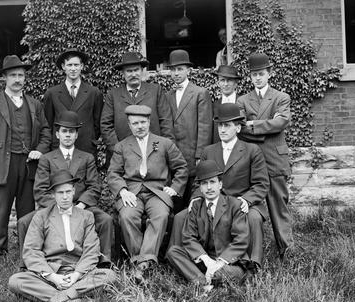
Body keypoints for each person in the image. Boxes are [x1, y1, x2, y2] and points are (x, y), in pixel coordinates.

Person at [169, 103, 269, 271]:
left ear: (238, 128)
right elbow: (198, 181)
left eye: (227, 125)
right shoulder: (209, 151)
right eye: (220, 125)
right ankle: (182, 260)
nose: (222, 129)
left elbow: (261, 184)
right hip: (212, 198)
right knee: (181, 216)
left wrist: (247, 200)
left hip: (241, 199)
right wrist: (195, 197)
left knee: (253, 217)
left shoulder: (252, 150)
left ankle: (252, 263)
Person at [0, 55, 52, 270]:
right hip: (2, 165)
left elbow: (46, 131)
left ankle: (26, 254)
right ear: (5, 78)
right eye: (13, 75)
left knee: (27, 213)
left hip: (28, 166)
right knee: (1, 212)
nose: (18, 79)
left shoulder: (34, 104)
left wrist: (40, 150)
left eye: (21, 75)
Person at [16, 110, 114, 269]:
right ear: (57, 135)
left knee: (105, 220)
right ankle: (27, 265)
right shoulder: (47, 159)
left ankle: (102, 263)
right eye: (64, 131)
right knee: (23, 222)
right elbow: (40, 190)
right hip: (54, 206)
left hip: (81, 206)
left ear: (76, 135)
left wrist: (81, 205)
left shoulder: (87, 157)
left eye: (71, 132)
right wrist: (58, 206)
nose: (68, 135)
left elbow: (95, 186)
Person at [8, 170, 116, 302]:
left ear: (73, 191)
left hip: (78, 272)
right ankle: (76, 300)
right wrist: (53, 277)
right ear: (53, 194)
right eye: (60, 193)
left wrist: (76, 275)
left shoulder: (86, 216)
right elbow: (31, 251)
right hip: (50, 273)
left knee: (110, 275)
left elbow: (91, 250)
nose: (65, 197)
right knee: (16, 281)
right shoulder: (41, 216)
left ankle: (58, 299)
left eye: (68, 192)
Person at [107, 105, 188, 281]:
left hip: (157, 192)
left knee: (160, 215)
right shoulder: (122, 146)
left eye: (143, 122)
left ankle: (142, 263)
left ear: (149, 122)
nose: (140, 126)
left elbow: (181, 167)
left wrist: (174, 188)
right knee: (127, 216)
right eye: (135, 123)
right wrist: (122, 190)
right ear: (129, 125)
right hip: (131, 192)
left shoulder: (164, 143)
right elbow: (113, 173)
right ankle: (141, 262)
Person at [236, 52, 293, 260]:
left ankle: (286, 251)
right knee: (251, 207)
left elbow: (281, 123)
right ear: (250, 77)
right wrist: (266, 125)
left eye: (261, 74)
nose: (257, 78)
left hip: (275, 158)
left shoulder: (281, 97)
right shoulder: (243, 100)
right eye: (254, 75)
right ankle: (250, 254)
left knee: (279, 207)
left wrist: (254, 125)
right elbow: (240, 128)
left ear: (269, 73)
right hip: (253, 161)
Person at [166, 160, 252, 290]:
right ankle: (204, 283)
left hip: (228, 263)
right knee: (173, 252)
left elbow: (241, 240)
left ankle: (199, 280)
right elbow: (189, 237)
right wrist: (206, 260)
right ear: (200, 188)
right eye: (204, 183)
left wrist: (220, 262)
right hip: (205, 260)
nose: (209, 187)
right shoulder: (196, 206)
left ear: (220, 184)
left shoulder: (234, 205)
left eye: (212, 182)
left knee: (225, 273)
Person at [100, 51, 175, 164]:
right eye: (129, 71)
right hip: (123, 156)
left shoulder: (155, 91)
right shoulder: (113, 94)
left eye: (136, 70)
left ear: (141, 71)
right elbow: (106, 124)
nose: (133, 74)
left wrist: (162, 149)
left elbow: (166, 121)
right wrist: (119, 149)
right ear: (123, 73)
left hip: (153, 152)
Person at [165, 49, 213, 207]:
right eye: (173, 69)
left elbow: (205, 126)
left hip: (193, 156)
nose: (176, 73)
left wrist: (200, 155)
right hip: (174, 157)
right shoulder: (168, 95)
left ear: (188, 70)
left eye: (180, 69)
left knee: (194, 199)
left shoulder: (200, 93)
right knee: (176, 199)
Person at [42, 48, 103, 157]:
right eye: (69, 65)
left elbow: (97, 123)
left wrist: (90, 138)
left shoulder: (93, 92)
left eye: (76, 65)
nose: (73, 69)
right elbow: (47, 123)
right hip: (59, 149)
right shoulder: (52, 93)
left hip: (85, 148)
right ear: (63, 67)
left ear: (82, 66)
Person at [211, 65, 243, 143]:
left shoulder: (244, 102)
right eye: (222, 80)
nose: (225, 84)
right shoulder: (213, 106)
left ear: (236, 83)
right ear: (218, 83)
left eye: (229, 80)